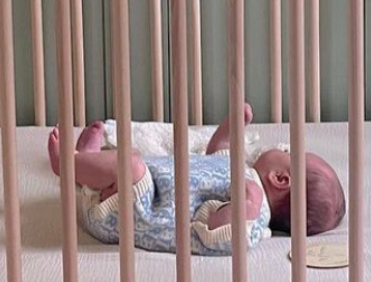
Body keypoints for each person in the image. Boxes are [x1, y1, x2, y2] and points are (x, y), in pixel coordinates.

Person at [48, 103, 345, 256]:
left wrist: (244, 208)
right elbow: (216, 153)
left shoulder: (256, 214)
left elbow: (218, 234)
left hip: (136, 215)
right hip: (144, 189)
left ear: (280, 178)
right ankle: (86, 162)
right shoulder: (242, 172)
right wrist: (230, 130)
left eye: (289, 152)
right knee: (132, 159)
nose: (282, 147)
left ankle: (69, 166)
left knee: (130, 164)